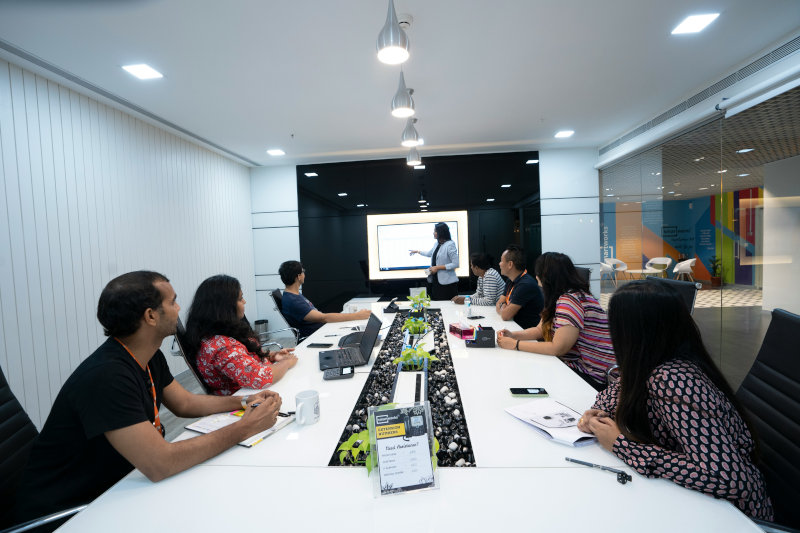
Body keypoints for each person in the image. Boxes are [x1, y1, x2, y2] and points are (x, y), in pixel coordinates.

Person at [9, 271, 282, 526]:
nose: (179, 308)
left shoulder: (148, 355)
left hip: (122, 485)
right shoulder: (106, 377)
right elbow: (160, 463)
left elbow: (185, 403)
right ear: (151, 316)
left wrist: (243, 401)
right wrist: (246, 427)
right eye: (172, 302)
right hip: (72, 512)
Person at [577, 281, 773, 520]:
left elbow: (728, 479)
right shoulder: (649, 362)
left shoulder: (672, 379)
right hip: (689, 500)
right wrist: (597, 413)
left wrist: (622, 446)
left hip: (732, 516)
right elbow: (616, 393)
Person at [496, 252, 615, 390]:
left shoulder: (570, 301)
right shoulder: (561, 297)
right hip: (579, 366)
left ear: (546, 277)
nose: (536, 277)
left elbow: (558, 348)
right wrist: (513, 335)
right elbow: (540, 330)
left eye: (538, 274)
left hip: (592, 374)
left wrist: (515, 344)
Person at [184, 275, 298, 396]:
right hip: (248, 399)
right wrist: (286, 363)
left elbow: (244, 358)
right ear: (224, 307)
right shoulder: (221, 348)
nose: (244, 302)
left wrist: (272, 356)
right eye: (240, 299)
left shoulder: (223, 332)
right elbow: (260, 377)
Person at [279, 260, 370, 338]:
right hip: (318, 335)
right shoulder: (293, 301)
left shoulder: (293, 295)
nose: (304, 274)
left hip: (322, 330)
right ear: (299, 276)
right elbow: (324, 318)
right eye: (303, 271)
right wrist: (357, 315)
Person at [495, 244, 543, 328]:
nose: (499, 264)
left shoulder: (526, 284)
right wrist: (503, 306)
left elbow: (505, 316)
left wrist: (503, 308)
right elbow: (499, 303)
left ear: (510, 264)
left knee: (490, 334)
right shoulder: (510, 280)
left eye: (501, 261)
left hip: (524, 331)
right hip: (512, 326)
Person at [409, 222, 460, 300]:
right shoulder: (437, 244)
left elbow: (456, 264)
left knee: (446, 304)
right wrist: (417, 251)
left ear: (441, 232)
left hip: (447, 283)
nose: (433, 233)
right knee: (437, 302)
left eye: (435, 231)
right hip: (436, 281)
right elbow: (429, 253)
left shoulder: (450, 245)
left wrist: (437, 267)